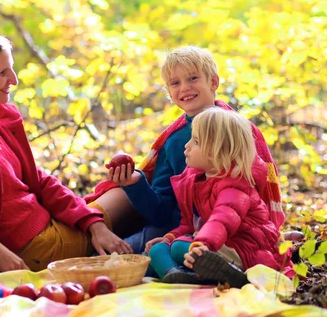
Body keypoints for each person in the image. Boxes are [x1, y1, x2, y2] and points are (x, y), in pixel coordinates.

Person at [0, 28, 132, 273]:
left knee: (119, 201)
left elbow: (37, 179)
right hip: (35, 248)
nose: (14, 80)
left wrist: (91, 223)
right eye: (3, 72)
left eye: (12, 68)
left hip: (49, 224)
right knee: (133, 191)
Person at [86, 46, 287, 257]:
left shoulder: (237, 130)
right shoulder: (173, 142)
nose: (184, 88)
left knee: (148, 259)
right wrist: (135, 184)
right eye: (175, 83)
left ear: (213, 82)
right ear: (169, 92)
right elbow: (162, 213)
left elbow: (252, 194)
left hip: (235, 231)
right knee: (113, 256)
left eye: (193, 78)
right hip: (177, 229)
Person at [143, 107, 287, 287]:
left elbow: (221, 220)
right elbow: (189, 225)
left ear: (216, 151)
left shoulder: (236, 185)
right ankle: (178, 275)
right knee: (158, 250)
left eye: (195, 141)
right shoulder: (196, 180)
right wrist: (169, 237)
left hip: (245, 249)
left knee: (180, 247)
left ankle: (227, 272)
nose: (186, 146)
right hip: (213, 245)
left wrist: (202, 244)